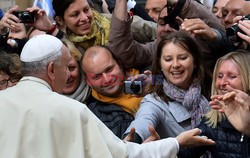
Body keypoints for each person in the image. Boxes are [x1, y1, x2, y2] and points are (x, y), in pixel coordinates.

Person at [0, 34, 215, 158]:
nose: (68, 75)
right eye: (66, 67)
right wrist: (176, 143)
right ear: (51, 70)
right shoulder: (72, 109)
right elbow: (123, 154)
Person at [124, 31, 210, 143]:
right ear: (160, 64)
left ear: (195, 61)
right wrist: (133, 138)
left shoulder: (213, 85)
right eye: (168, 59)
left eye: (183, 58)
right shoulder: (154, 101)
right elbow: (144, 120)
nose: (175, 65)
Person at [108, 0, 229, 75]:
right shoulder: (155, 49)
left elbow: (223, 39)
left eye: (173, 24)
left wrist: (180, 4)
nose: (166, 29)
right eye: (161, 23)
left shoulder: (202, 49)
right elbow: (122, 50)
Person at [178, 50, 250, 158]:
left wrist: (247, 129)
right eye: (220, 76)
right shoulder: (213, 122)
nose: (222, 83)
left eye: (232, 76)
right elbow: (183, 154)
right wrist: (158, 149)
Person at [81, 45, 149, 138]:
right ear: (88, 81)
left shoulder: (148, 75)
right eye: (97, 76)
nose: (107, 79)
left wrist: (155, 89)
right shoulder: (94, 117)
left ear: (120, 64)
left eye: (109, 69)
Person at [61, 38, 90, 103]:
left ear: (80, 69)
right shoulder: (43, 104)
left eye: (72, 68)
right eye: (60, 70)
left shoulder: (98, 97)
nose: (67, 75)